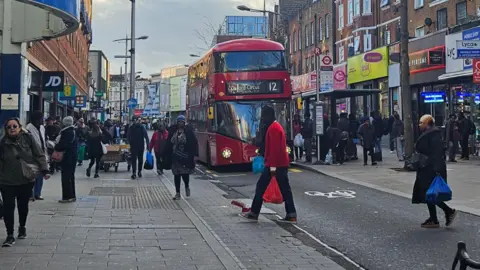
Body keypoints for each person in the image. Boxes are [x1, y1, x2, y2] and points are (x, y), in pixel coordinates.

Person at [241, 106, 297, 223]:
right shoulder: (274, 127)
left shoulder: (274, 128)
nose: (262, 118)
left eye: (264, 116)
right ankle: (291, 214)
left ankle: (254, 213)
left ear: (269, 116)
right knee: (285, 189)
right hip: (279, 164)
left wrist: (272, 167)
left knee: (261, 188)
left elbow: (274, 149)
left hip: (275, 164)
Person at [0, 118, 50, 246]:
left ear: (19, 127)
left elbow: (39, 154)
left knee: (23, 206)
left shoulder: (27, 138)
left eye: (14, 126)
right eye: (9, 126)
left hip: (25, 180)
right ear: (6, 129)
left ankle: (22, 226)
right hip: (6, 181)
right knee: (8, 208)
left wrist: (44, 170)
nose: (12, 128)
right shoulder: (2, 142)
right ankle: (10, 235)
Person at [413, 114, 457, 228]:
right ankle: (434, 218)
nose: (419, 125)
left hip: (431, 169)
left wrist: (437, 169)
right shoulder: (431, 134)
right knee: (428, 194)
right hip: (427, 168)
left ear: (427, 124)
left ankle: (447, 212)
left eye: (421, 123)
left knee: (431, 193)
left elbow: (437, 153)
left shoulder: (434, 136)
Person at [162, 115, 198, 199]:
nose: (180, 123)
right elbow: (168, 143)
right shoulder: (173, 131)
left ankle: (186, 186)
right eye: (179, 121)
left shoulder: (188, 131)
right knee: (176, 175)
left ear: (184, 122)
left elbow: (194, 143)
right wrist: (163, 154)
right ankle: (177, 193)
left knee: (185, 174)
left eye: (181, 121)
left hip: (185, 157)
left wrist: (195, 155)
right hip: (175, 157)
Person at [54, 117, 77, 203]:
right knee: (70, 176)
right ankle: (72, 195)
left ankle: (67, 196)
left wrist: (55, 146)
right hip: (72, 157)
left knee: (66, 177)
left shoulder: (67, 132)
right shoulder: (72, 131)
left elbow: (62, 145)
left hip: (67, 158)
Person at [25, 111, 48, 201]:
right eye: (40, 118)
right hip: (32, 154)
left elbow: (43, 139)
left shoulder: (42, 127)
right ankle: (31, 194)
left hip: (42, 153)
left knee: (41, 174)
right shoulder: (29, 127)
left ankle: (38, 193)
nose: (42, 120)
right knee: (32, 174)